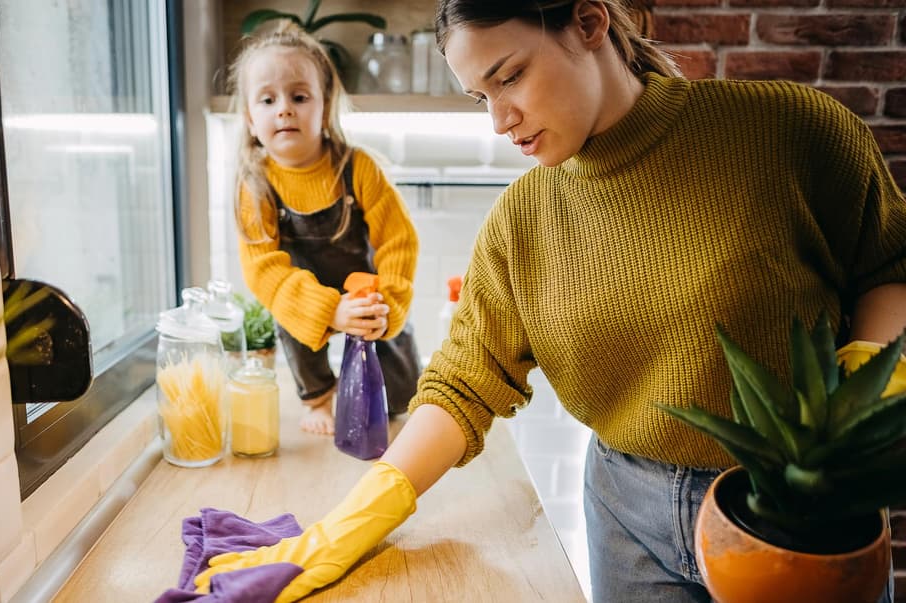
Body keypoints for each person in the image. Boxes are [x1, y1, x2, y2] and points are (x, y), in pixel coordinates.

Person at [196, 1, 906, 601]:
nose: (499, 120)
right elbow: (462, 383)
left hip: (800, 512)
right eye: (479, 97)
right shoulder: (522, 220)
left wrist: (861, 395)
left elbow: (888, 265)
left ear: (589, 23)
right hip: (627, 515)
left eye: (509, 76)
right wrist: (343, 528)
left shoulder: (789, 131)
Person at [227, 22, 421, 436]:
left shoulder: (359, 167)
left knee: (400, 397)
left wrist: (386, 307)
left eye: (299, 97)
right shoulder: (255, 184)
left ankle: (391, 391)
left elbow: (398, 241)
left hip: (367, 293)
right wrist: (330, 310)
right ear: (250, 118)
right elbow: (264, 269)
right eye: (267, 99)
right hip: (305, 294)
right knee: (292, 321)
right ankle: (317, 399)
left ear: (325, 105)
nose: (284, 109)